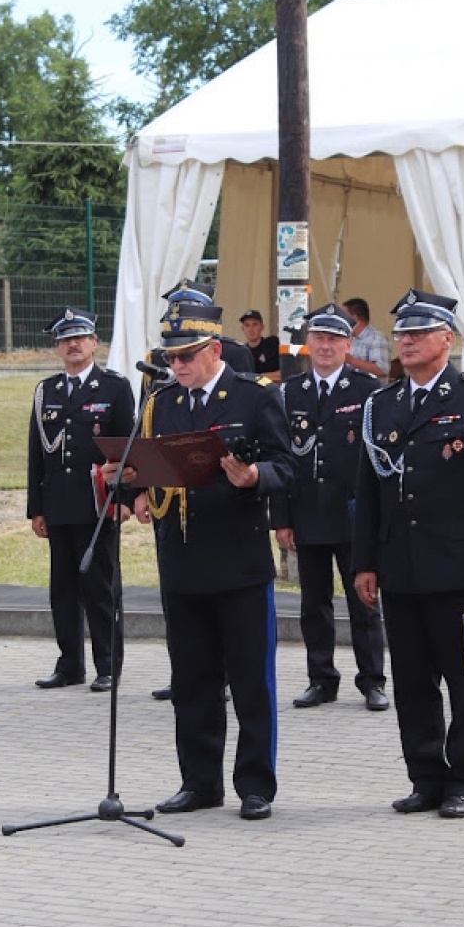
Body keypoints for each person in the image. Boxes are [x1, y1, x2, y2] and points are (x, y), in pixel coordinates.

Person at [126, 300, 294, 820]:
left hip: (239, 561)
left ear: (215, 350)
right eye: (171, 357)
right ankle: (199, 781)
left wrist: (255, 477)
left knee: (250, 680)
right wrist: (133, 487)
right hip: (181, 559)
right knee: (192, 680)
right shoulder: (160, 402)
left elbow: (288, 464)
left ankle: (255, 785)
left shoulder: (254, 396)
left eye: (187, 356)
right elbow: (147, 463)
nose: (177, 366)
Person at [352, 289, 464, 818]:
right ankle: (425, 777)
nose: (408, 341)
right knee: (414, 682)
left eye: (419, 333)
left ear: (448, 339)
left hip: (457, 566)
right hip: (400, 565)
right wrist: (365, 562)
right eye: (402, 333)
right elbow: (369, 489)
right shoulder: (383, 403)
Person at [272, 303, 389, 712]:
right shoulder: (290, 392)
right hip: (308, 513)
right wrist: (282, 520)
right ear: (307, 343)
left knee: (364, 600)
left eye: (334, 339)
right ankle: (321, 679)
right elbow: (281, 459)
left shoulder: (367, 390)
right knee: (313, 603)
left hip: (354, 514)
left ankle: (372, 680)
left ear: (348, 343)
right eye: (318, 338)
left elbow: (379, 461)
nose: (325, 346)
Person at [147, 278, 253, 702]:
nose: (175, 362)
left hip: (223, 508)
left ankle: (222, 673)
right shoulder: (159, 365)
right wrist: (139, 485)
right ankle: (185, 671)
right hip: (171, 504)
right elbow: (153, 422)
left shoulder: (236, 358)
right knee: (177, 598)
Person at [28, 307, 135, 693]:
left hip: (99, 504)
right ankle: (69, 664)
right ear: (57, 347)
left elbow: (127, 449)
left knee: (101, 588)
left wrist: (124, 498)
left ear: (95, 343)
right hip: (59, 504)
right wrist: (36, 508)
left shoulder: (114, 387)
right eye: (65, 339)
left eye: (80, 337)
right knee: (63, 590)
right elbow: (36, 453)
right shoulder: (47, 391)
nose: (73, 344)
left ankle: (108, 665)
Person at [341, 297, 391, 381]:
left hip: (371, 392)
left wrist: (351, 360)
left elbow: (382, 370)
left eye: (344, 316)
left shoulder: (377, 338)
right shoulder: (349, 338)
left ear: (354, 317)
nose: (342, 320)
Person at [239, 309, 280, 380]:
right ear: (243, 329)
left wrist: (257, 377)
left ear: (262, 327)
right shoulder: (242, 352)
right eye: (247, 325)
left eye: (255, 324)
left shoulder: (272, 344)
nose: (251, 329)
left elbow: (285, 373)